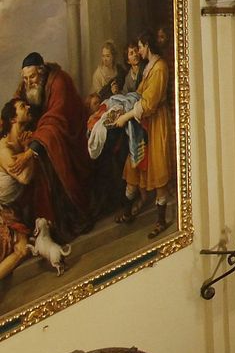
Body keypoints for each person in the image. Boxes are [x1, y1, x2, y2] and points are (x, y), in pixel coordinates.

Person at [107, 31, 177, 238]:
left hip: (156, 123)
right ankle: (128, 213)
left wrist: (125, 117)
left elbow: (148, 104)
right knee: (133, 168)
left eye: (140, 46)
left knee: (158, 169)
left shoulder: (160, 67)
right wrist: (121, 104)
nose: (138, 51)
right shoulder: (149, 67)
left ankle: (161, 221)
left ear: (147, 46)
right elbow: (138, 94)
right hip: (143, 125)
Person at [17, 52, 92, 241]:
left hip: (70, 139)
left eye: (32, 77)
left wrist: (32, 149)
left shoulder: (59, 81)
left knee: (48, 159)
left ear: (41, 72)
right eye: (25, 79)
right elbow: (16, 105)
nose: (29, 83)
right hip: (47, 137)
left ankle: (66, 220)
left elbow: (55, 120)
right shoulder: (27, 85)